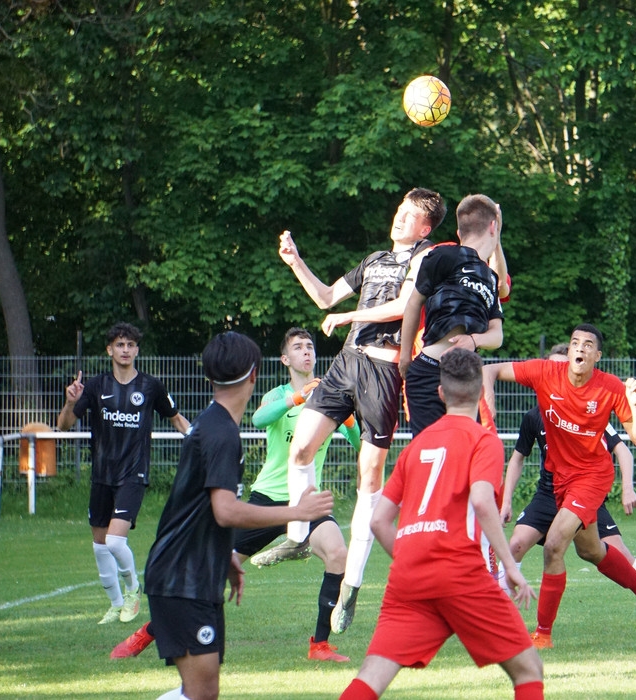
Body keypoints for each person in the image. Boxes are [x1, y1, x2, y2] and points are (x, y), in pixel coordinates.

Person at [111, 328, 360, 663]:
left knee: (338, 554)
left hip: (307, 500)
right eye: (297, 347)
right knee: (210, 572)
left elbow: (360, 444)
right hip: (267, 498)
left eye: (310, 347)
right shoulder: (278, 395)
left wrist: (348, 421)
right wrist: (298, 398)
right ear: (285, 359)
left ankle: (319, 645)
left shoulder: (331, 397)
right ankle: (150, 631)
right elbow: (259, 418)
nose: (306, 352)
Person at [277, 187, 446, 634]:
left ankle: (351, 587)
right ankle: (297, 537)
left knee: (368, 479)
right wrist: (295, 261)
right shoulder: (373, 259)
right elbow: (326, 298)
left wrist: (353, 318)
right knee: (300, 450)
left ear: (425, 228)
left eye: (410, 215)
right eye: (399, 211)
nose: (399, 218)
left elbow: (403, 306)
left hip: (385, 372)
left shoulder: (425, 259)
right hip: (346, 364)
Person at [340, 350, 544, 700]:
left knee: (372, 676)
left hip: (408, 576)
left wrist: (408, 557)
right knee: (529, 670)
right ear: (481, 392)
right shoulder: (484, 440)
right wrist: (510, 566)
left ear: (440, 393)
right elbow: (481, 500)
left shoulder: (416, 445)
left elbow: (378, 520)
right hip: (459, 571)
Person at [482, 324, 636, 649]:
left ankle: (543, 634)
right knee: (591, 550)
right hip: (559, 482)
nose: (580, 348)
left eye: (588, 344)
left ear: (597, 356)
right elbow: (489, 369)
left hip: (592, 478)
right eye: (576, 342)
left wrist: (634, 405)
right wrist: (487, 414)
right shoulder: (546, 373)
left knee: (553, 546)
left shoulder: (610, 388)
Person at [57, 322, 190, 625]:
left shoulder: (150, 386)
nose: (126, 350)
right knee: (99, 545)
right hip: (102, 475)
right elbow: (63, 425)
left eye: (130, 345)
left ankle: (133, 590)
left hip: (133, 474)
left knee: (116, 542)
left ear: (137, 350)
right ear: (110, 350)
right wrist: (70, 401)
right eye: (120, 345)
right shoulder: (94, 387)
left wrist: (203, 442)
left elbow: (177, 419)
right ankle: (116, 604)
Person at [398, 193, 505, 435]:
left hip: (463, 378)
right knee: (428, 454)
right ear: (493, 226)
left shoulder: (491, 277)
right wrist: (405, 356)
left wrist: (474, 340)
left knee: (465, 453)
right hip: (428, 371)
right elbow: (413, 304)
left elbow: (497, 336)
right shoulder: (444, 255)